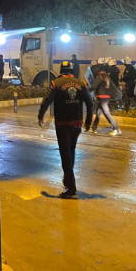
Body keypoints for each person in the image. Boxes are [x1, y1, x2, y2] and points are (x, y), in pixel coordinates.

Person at [37, 60, 93, 198]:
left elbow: (47, 100)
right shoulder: (81, 83)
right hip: (77, 123)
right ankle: (68, 180)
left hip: (62, 123)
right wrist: (88, 121)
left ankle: (70, 186)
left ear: (61, 71)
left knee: (65, 153)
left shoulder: (56, 83)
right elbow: (90, 103)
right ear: (72, 71)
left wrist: (41, 115)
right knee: (71, 150)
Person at [89, 68, 121, 136]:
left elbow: (93, 87)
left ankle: (116, 129)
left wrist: (87, 89)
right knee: (98, 113)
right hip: (106, 98)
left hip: (102, 99)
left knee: (107, 114)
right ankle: (93, 128)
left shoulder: (99, 77)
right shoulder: (107, 78)